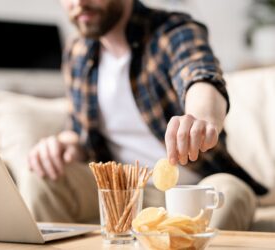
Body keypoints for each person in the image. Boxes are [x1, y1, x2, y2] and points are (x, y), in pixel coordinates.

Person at [23, 0, 268, 230]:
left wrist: (199, 117)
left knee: (230, 193)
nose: (78, 2)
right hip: (120, 192)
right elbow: (79, 133)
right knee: (41, 177)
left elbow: (199, 75)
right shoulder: (76, 52)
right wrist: (64, 145)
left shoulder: (173, 30)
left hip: (192, 186)